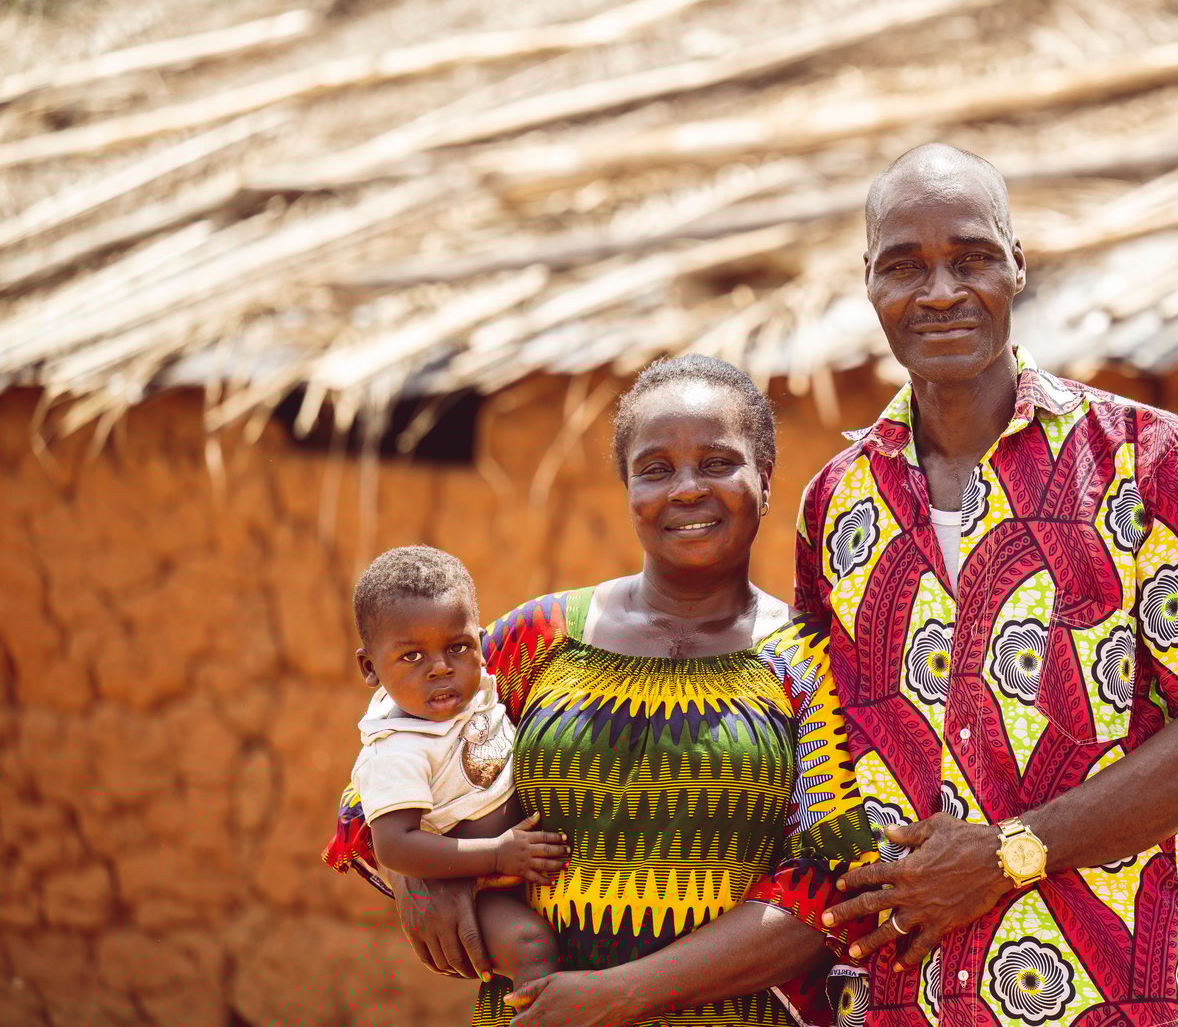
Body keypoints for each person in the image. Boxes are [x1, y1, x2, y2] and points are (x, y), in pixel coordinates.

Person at [800, 143, 1178, 1026]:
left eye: (973, 256)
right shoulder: (836, 503)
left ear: (1018, 265)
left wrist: (1006, 855)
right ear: (868, 283)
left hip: (1099, 998)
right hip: (892, 1000)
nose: (942, 291)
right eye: (905, 266)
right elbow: (816, 755)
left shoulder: (1143, 462)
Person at [327, 355, 878, 1027]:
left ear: (764, 481)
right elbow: (385, 776)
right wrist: (421, 877)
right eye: (654, 469)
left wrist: (618, 995)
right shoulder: (537, 638)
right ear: (626, 490)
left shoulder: (812, 666)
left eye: (716, 462)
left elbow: (821, 899)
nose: (684, 489)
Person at [329, 545, 567, 997]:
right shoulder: (396, 750)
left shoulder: (479, 688)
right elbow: (395, 846)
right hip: (476, 885)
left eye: (457, 647)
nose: (440, 668)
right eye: (412, 657)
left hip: (526, 860)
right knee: (530, 948)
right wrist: (496, 855)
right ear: (369, 668)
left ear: (480, 645)